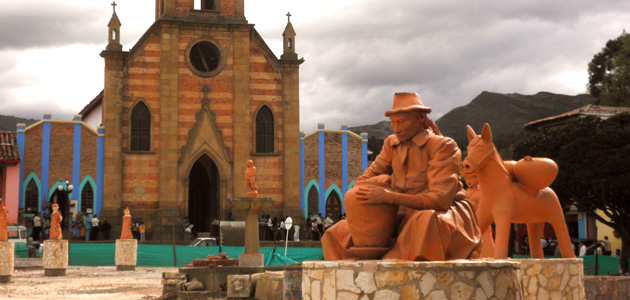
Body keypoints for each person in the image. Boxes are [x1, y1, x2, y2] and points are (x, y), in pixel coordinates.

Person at [322, 92, 481, 261]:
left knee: (424, 222)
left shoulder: (442, 146)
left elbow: (440, 200)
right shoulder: (392, 143)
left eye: (401, 122)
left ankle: (393, 262)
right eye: (392, 123)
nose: (396, 128)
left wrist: (391, 197)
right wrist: (378, 181)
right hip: (400, 213)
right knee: (338, 232)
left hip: (441, 214)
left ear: (421, 117)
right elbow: (361, 182)